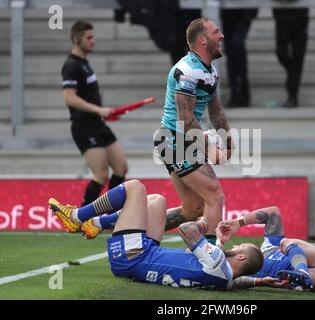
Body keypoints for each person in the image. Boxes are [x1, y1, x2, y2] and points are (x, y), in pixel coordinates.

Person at [48, 180, 264, 289]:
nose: (235, 245)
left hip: (133, 258)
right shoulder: (225, 279)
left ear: (242, 257)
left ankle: (77, 216)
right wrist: (261, 281)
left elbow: (186, 230)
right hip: (145, 255)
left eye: (240, 246)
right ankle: (95, 223)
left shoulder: (218, 263)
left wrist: (204, 223)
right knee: (158, 201)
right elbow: (237, 280)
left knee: (135, 188)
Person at [154, 18, 234, 245]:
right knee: (215, 196)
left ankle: (132, 227)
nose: (221, 36)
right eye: (216, 32)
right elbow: (186, 118)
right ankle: (208, 261)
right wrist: (210, 147)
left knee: (192, 209)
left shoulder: (209, 71)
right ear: (202, 39)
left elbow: (215, 110)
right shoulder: (188, 71)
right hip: (175, 140)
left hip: (180, 140)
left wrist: (228, 141)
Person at [61, 21, 128, 206]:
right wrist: (99, 110)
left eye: (93, 37)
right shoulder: (71, 66)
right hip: (84, 126)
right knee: (101, 175)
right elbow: (70, 98)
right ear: (76, 39)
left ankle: (109, 213)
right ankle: (81, 218)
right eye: (89, 38)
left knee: (121, 167)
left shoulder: (84, 64)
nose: (93, 41)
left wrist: (103, 114)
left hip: (97, 123)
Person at [221, 9, 258, 108]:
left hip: (244, 11)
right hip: (227, 12)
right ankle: (235, 91)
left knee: (237, 44)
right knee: (230, 50)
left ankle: (242, 86)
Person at [273, 7, 309, 108]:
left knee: (298, 56)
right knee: (281, 53)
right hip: (282, 15)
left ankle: (293, 95)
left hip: (300, 16)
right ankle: (292, 77)